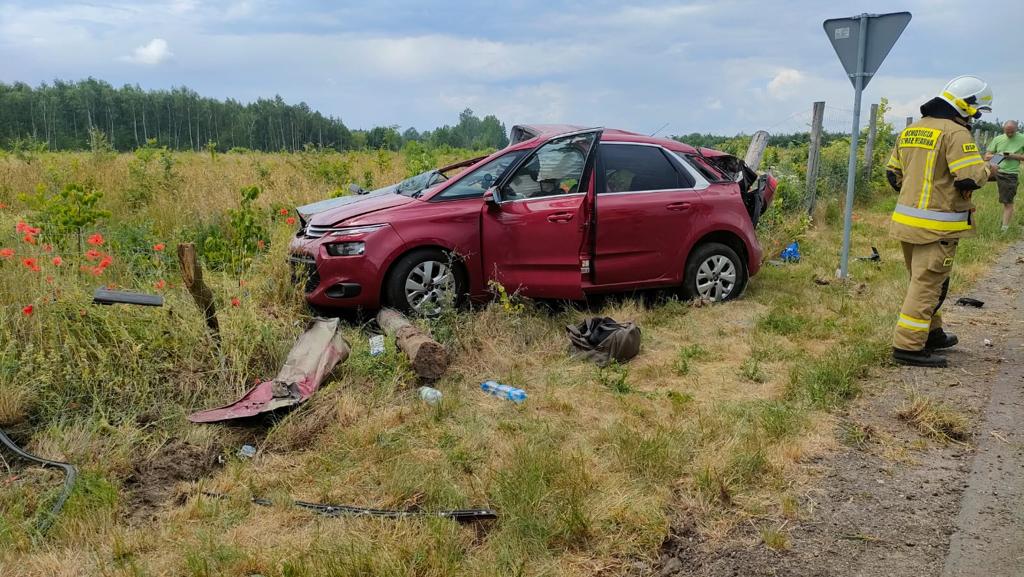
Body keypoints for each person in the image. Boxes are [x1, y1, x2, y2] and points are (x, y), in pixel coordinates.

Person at [885, 75, 999, 368]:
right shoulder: (955, 134)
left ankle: (932, 333)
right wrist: (989, 169)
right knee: (928, 284)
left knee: (922, 281)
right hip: (938, 227)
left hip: (907, 223)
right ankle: (908, 347)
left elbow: (892, 175)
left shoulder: (912, 129)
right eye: (977, 112)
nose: (975, 118)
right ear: (966, 106)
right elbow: (970, 177)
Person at [984, 120, 1024, 231]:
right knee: (972, 177)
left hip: (1009, 173)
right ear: (1003, 129)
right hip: (994, 168)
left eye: (1012, 132)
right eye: (1007, 132)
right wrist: (998, 156)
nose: (1009, 134)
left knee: (1007, 201)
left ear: (1017, 129)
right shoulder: (998, 139)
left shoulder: (1022, 138)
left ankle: (1004, 229)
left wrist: (1012, 155)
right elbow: (986, 156)